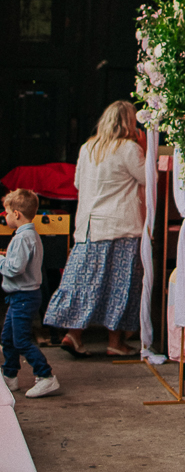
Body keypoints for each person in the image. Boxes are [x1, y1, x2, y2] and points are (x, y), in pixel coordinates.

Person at [45, 100, 145, 358]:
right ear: (129, 122)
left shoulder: (88, 147)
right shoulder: (129, 149)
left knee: (83, 282)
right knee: (120, 286)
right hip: (120, 225)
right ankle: (115, 342)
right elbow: (148, 179)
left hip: (88, 227)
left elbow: (78, 183)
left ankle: (74, 335)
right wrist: (145, 147)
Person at [2, 189, 59, 398]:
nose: (6, 217)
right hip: (22, 296)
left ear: (16, 214)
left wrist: (1, 260)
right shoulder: (30, 235)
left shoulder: (21, 238)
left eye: (7, 213)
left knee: (21, 341)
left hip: (23, 297)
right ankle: (9, 375)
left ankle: (46, 376)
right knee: (8, 338)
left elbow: (14, 269)